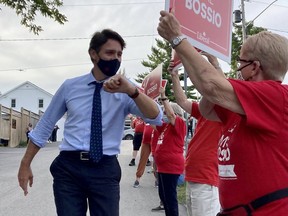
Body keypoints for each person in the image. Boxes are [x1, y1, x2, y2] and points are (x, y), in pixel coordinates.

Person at [17, 29, 163, 216]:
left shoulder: (127, 89)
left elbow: (156, 117)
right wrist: (25, 164)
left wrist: (131, 91)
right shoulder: (70, 87)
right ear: (93, 54)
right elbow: (45, 125)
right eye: (109, 53)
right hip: (69, 168)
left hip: (104, 169)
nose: (116, 59)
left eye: (119, 54)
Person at [158, 11, 288, 215]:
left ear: (254, 67)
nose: (237, 68)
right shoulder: (242, 105)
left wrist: (178, 39)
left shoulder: (276, 96)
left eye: (241, 62)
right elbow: (207, 106)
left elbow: (211, 86)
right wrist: (193, 55)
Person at [169, 53, 222, 216]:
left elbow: (224, 87)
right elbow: (182, 101)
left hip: (206, 179)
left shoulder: (223, 111)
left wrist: (215, 64)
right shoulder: (204, 111)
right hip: (194, 177)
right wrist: (175, 77)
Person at [152, 87, 186, 216]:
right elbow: (151, 120)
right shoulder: (165, 128)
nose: (164, 115)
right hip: (162, 167)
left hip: (171, 167)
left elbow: (171, 115)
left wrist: (163, 96)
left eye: (165, 112)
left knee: (170, 198)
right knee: (164, 197)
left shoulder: (179, 123)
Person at [133, 123, 154, 188]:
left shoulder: (159, 117)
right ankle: (137, 179)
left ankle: (157, 180)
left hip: (155, 141)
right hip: (145, 141)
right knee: (142, 160)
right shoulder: (146, 119)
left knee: (156, 161)